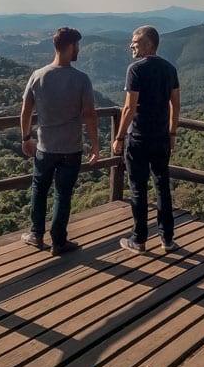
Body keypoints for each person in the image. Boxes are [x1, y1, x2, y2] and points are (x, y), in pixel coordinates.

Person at [20, 27, 99, 255]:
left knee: (40, 189)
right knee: (63, 194)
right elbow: (90, 115)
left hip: (45, 147)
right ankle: (59, 241)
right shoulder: (81, 79)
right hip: (71, 148)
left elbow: (25, 111)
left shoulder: (38, 75)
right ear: (70, 47)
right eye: (77, 46)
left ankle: (36, 234)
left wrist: (26, 137)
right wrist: (95, 144)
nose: (78, 50)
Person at [112, 25, 180, 252]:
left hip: (139, 137)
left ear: (149, 44)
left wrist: (119, 137)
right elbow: (176, 105)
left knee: (138, 188)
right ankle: (167, 239)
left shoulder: (135, 69)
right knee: (162, 186)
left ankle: (139, 239)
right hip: (161, 138)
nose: (131, 45)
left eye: (135, 41)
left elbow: (129, 108)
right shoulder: (170, 69)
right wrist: (172, 133)